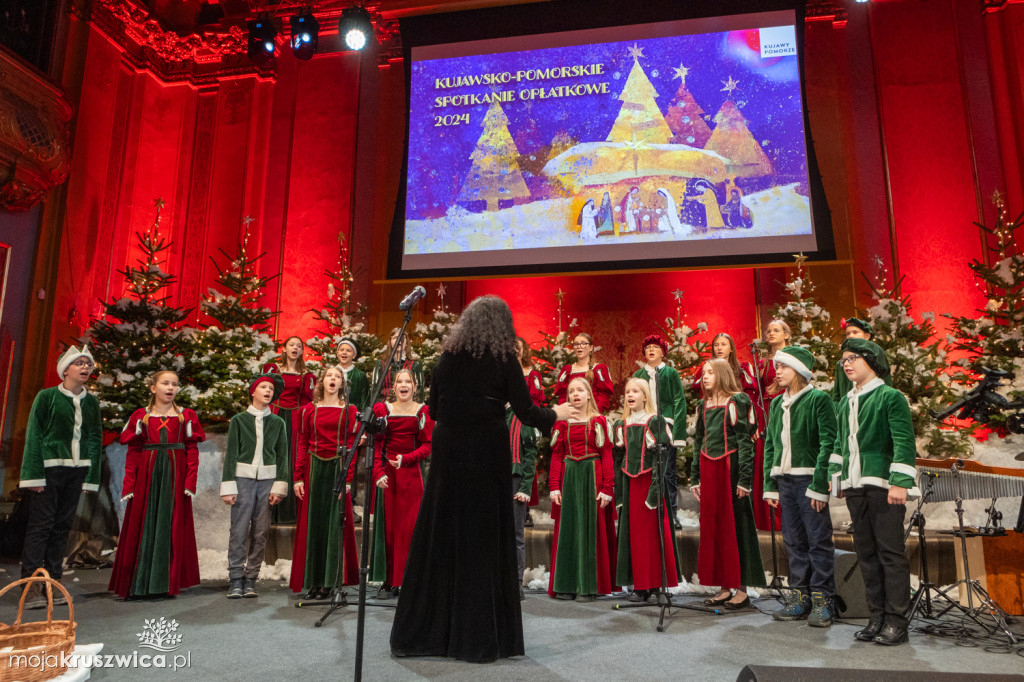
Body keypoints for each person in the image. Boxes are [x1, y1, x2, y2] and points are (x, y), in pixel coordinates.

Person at [390, 295, 575, 663]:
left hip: (448, 450)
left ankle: (425, 634)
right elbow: (525, 410)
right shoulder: (504, 358)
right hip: (485, 451)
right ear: (501, 326)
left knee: (441, 535)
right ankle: (477, 638)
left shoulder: (447, 357)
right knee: (481, 539)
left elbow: (436, 408)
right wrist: (557, 412)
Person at [829, 338, 917, 646]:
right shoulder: (844, 402)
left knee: (890, 554)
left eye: (854, 357)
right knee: (866, 554)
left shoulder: (890, 397)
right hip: (855, 486)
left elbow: (903, 441)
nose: (848, 364)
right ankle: (876, 616)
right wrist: (837, 478)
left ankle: (896, 621)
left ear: (872, 360)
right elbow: (840, 445)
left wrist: (899, 482)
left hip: (883, 485)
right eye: (844, 360)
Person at [20, 345, 103, 609]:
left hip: (75, 472)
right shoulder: (47, 398)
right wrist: (34, 476)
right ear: (65, 369)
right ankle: (31, 585)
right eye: (79, 363)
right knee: (40, 527)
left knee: (61, 527)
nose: (85, 368)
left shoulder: (91, 402)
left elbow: (93, 438)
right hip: (48, 471)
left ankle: (53, 581)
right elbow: (34, 435)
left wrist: (90, 477)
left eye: (88, 364)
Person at [109, 370, 203, 599]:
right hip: (148, 478)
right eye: (165, 383)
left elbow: (192, 450)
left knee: (171, 524)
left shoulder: (186, 416)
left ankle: (167, 582)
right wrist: (129, 485)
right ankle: (140, 582)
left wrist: (190, 481)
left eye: (174, 384)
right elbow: (133, 452)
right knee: (144, 524)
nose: (170, 388)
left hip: (174, 477)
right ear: (153, 388)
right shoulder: (141, 416)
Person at [760, 347, 838, 626]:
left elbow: (829, 442)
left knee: (818, 540)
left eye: (783, 367)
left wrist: (820, 485)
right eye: (776, 367)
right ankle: (800, 596)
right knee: (793, 541)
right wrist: (770, 484)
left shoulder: (819, 399)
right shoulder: (777, 404)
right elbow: (771, 446)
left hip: (809, 480)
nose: (777, 371)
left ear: (800, 370)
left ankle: (822, 598)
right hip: (785, 481)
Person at [689, 358, 765, 609]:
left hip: (729, 469)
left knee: (736, 526)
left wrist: (744, 479)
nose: (705, 377)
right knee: (715, 526)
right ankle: (723, 585)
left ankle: (742, 587)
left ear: (722, 374)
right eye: (704, 373)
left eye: (710, 372)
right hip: (709, 470)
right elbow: (698, 441)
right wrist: (695, 477)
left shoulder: (737, 401)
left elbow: (745, 442)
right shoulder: (704, 404)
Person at [289, 366, 361, 598]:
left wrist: (348, 480)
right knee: (315, 525)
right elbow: (302, 443)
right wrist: (298, 477)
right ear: (322, 381)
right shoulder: (308, 410)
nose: (333, 379)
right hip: (314, 470)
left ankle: (330, 582)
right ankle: (314, 581)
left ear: (342, 384)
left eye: (338, 376)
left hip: (337, 469)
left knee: (333, 525)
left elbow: (352, 447)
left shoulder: (350, 410)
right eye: (329, 375)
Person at [547, 377, 617, 601]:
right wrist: (554, 487)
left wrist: (607, 487)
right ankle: (566, 584)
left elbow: (606, 455)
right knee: (568, 529)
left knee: (590, 530)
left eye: (580, 390)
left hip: (591, 477)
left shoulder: (598, 421)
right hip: (569, 479)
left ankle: (587, 586)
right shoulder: (562, 424)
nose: (575, 394)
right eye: (571, 391)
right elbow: (557, 456)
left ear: (589, 395)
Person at [221, 374, 289, 599]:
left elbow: (282, 455)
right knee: (239, 530)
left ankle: (251, 578)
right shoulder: (239, 420)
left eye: (271, 388)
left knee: (260, 531)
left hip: (267, 482)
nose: (268, 391)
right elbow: (231, 454)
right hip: (242, 481)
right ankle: (236, 578)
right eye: (263, 387)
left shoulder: (278, 423)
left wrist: (279, 486)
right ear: (253, 391)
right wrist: (229, 486)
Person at [613, 378, 679, 602]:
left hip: (650, 484)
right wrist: (620, 493)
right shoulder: (622, 424)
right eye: (627, 391)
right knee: (635, 537)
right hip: (631, 485)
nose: (630, 395)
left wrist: (655, 492)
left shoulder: (655, 421)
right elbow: (618, 460)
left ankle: (657, 585)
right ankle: (640, 585)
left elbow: (661, 460)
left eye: (635, 391)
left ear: (645, 396)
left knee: (652, 536)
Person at [369, 368, 432, 599]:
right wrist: (377, 473)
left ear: (415, 387)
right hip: (387, 477)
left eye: (408, 381)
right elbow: (375, 445)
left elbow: (428, 445)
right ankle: (388, 579)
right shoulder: (382, 410)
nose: (404, 385)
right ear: (392, 387)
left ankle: (408, 579)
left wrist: (407, 459)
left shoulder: (423, 411)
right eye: (399, 381)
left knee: (409, 529)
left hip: (411, 475)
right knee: (389, 530)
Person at [633, 334, 687, 529]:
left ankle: (671, 512)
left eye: (655, 347)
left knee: (668, 471)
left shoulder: (670, 373)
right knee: (648, 470)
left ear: (663, 352)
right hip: (645, 425)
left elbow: (679, 400)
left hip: (666, 424)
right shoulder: (639, 376)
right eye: (648, 348)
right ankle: (649, 510)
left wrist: (678, 432)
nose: (651, 350)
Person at [262, 336, 315, 525]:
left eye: (299, 346)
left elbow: (308, 400)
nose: (295, 348)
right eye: (291, 345)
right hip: (274, 416)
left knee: (290, 458)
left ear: (302, 351)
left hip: (293, 419)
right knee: (272, 456)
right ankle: (268, 510)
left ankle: (288, 512)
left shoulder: (306, 374)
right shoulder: (272, 369)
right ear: (284, 348)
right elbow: (263, 392)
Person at [752, 320, 792, 532]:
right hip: (764, 410)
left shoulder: (792, 357)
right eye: (768, 331)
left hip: (784, 408)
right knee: (764, 458)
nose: (770, 334)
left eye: (776, 330)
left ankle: (785, 519)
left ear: (786, 334)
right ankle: (764, 519)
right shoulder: (762, 361)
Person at [507, 403, 539, 599]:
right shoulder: (488, 413)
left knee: (516, 534)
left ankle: (516, 582)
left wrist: (526, 486)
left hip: (514, 480)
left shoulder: (522, 416)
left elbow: (530, 453)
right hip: (490, 480)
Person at [830, 318, 891, 402]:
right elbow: (837, 395)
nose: (850, 336)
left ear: (867, 336)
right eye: (847, 334)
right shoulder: (841, 365)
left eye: (855, 332)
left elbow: (886, 385)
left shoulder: (875, 357)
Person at [554, 332, 614, 413]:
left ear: (591, 347)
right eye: (576, 344)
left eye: (583, 343)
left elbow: (604, 396)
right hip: (572, 416)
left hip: (593, 415)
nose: (579, 346)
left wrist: (593, 413)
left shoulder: (599, 369)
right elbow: (562, 397)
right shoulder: (567, 370)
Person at [371, 327, 425, 404]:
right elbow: (374, 391)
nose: (399, 340)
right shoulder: (380, 364)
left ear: (406, 343)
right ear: (390, 342)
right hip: (385, 408)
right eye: (395, 338)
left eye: (402, 338)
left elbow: (420, 392)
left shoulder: (415, 365)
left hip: (408, 408)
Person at [335, 336, 370, 411]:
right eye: (341, 350)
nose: (344, 352)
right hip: (335, 412)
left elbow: (365, 400)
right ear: (337, 353)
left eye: (348, 350)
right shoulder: (331, 373)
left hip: (354, 413)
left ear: (354, 355)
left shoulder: (360, 375)